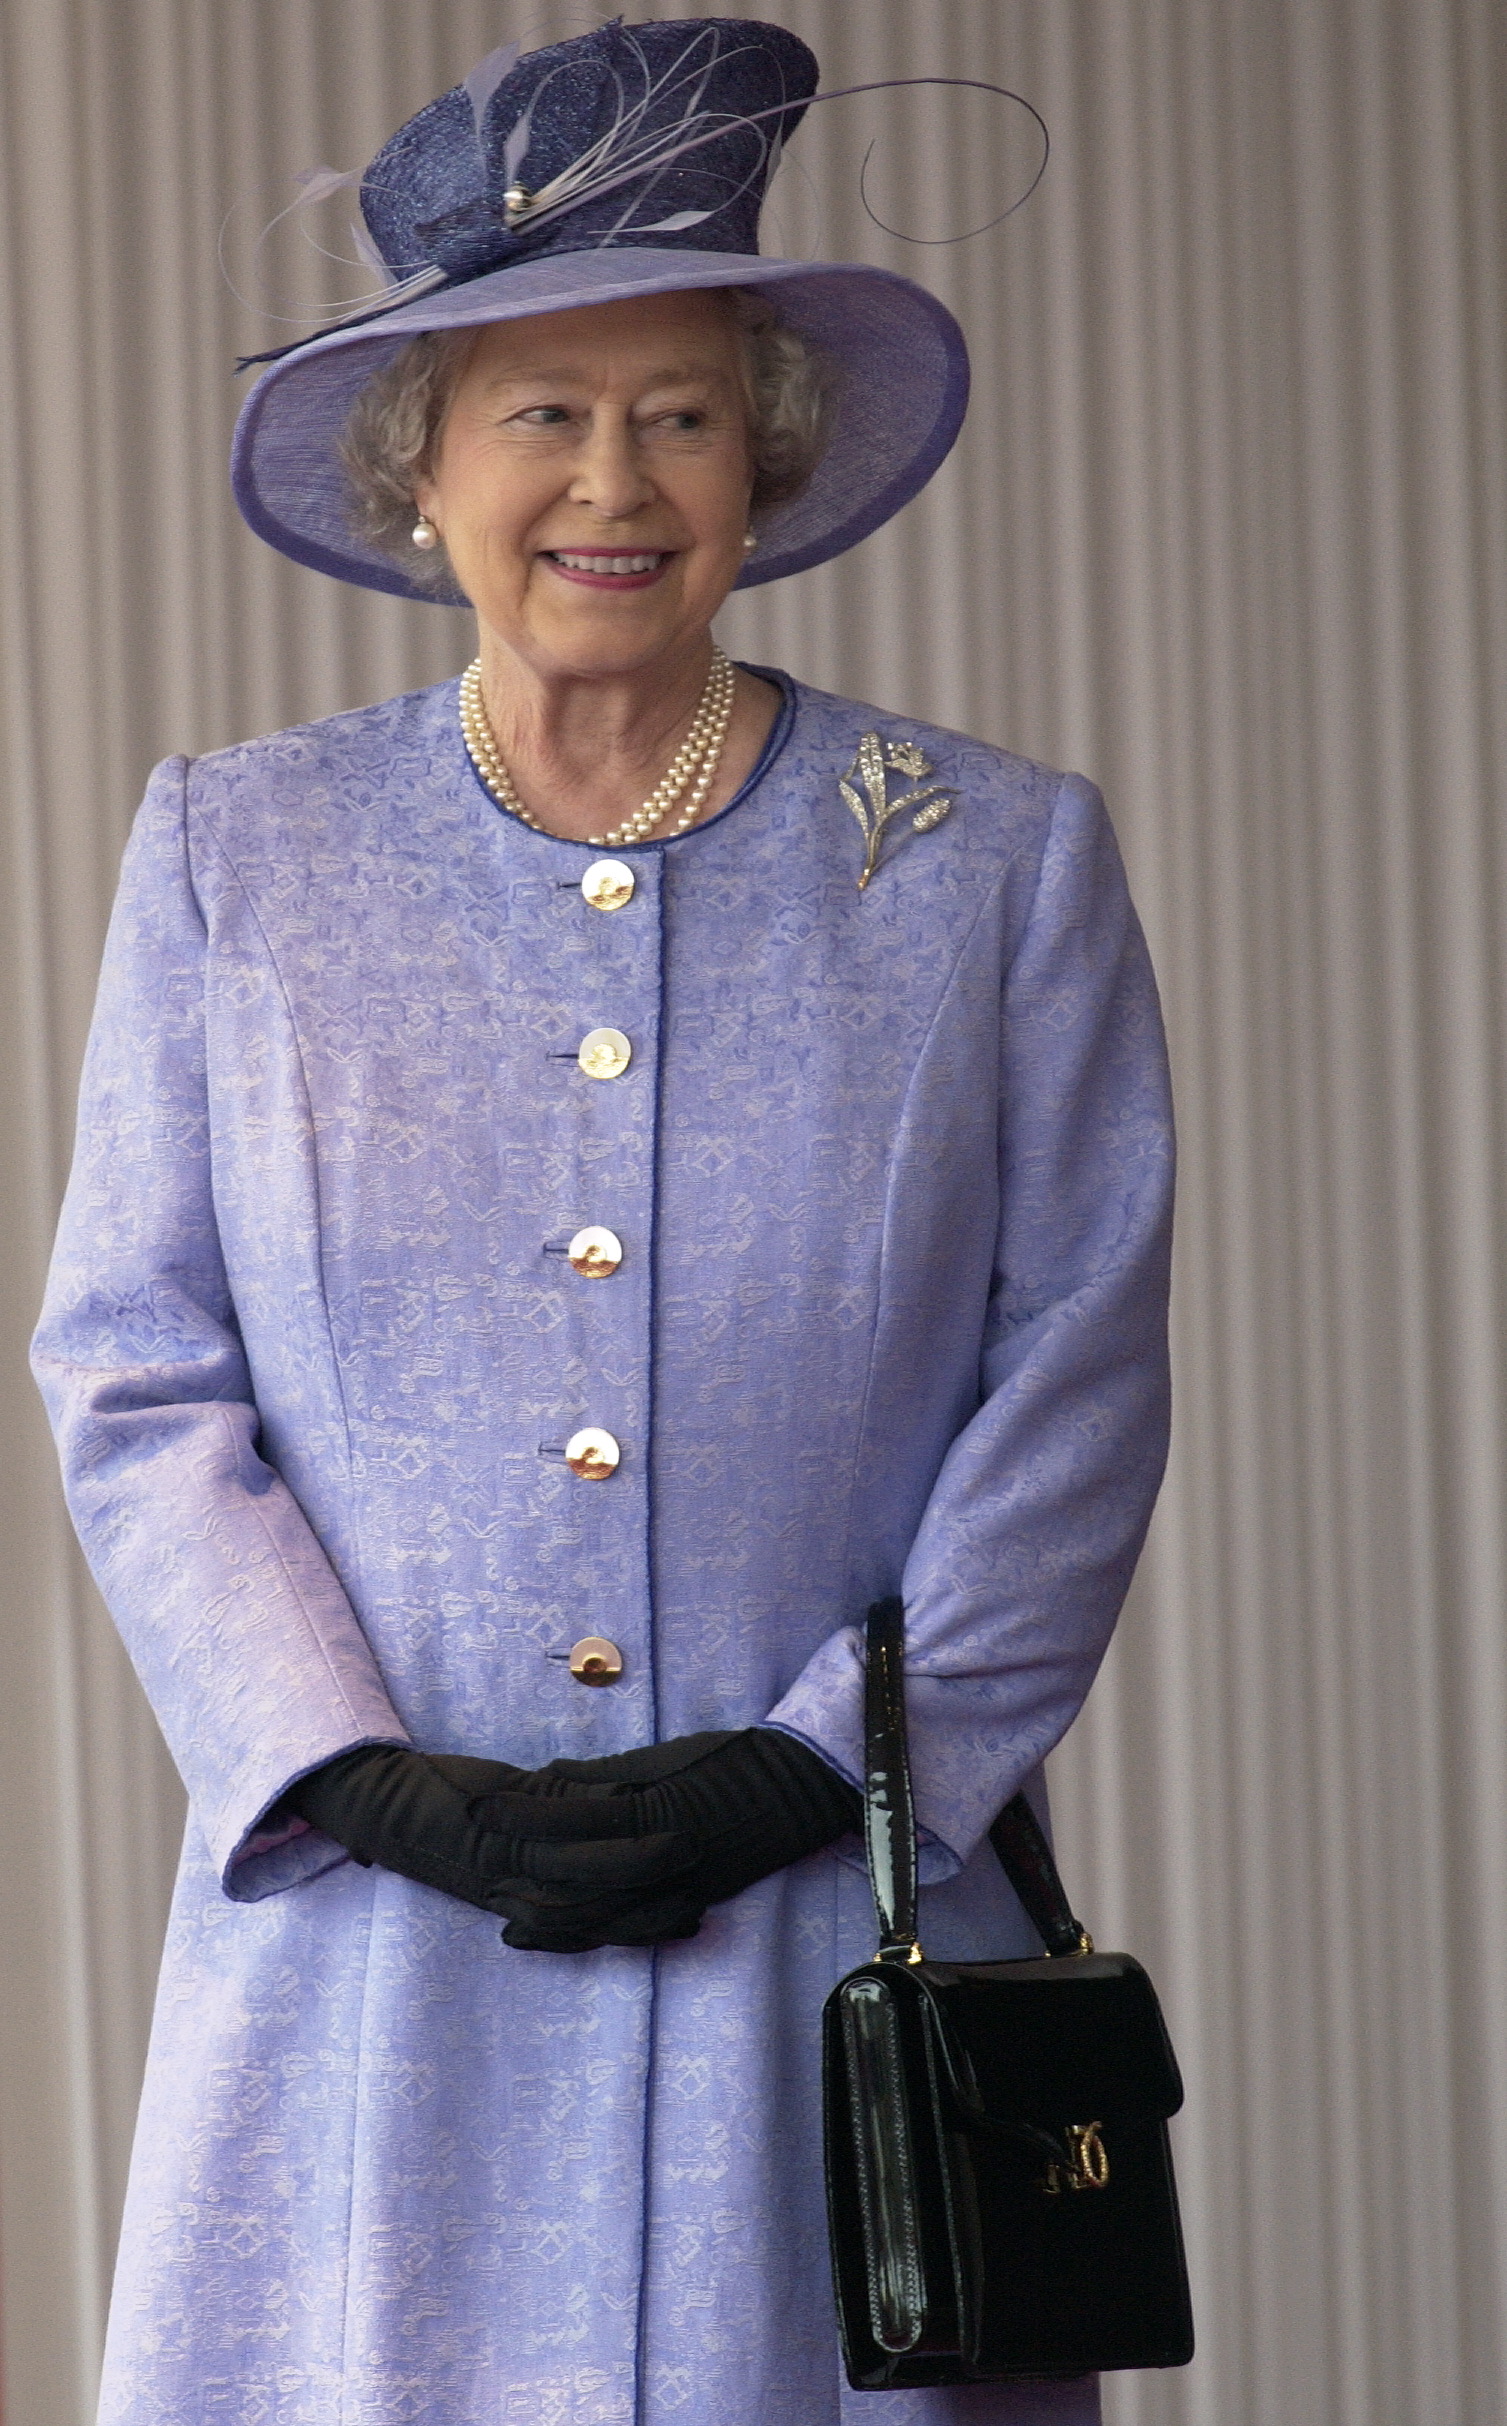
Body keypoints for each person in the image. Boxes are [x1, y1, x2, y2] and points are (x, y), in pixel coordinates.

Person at [32, 19, 1172, 2426]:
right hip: (379, 1967)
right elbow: (134, 1366)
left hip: (836, 1945)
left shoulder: (986, 859)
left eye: (675, 409)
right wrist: (348, 1773)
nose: (609, 481)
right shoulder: (243, 853)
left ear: (759, 463)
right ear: (421, 466)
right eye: (537, 410)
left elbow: (1078, 1365)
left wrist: (821, 1760)